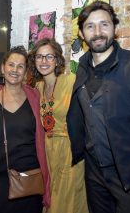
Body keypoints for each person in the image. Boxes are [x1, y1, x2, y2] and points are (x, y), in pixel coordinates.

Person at [67, 0, 130, 213]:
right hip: (94, 173)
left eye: (104, 24)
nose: (97, 32)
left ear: (115, 28)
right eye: (90, 26)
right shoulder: (82, 69)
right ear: (81, 33)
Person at [0, 46, 50, 213]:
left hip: (29, 178)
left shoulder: (35, 98)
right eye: (11, 65)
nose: (15, 70)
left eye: (20, 66)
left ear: (25, 72)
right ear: (3, 68)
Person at [29, 38, 88, 213]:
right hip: (46, 153)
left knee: (66, 202)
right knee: (50, 198)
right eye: (39, 57)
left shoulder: (71, 81)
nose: (44, 61)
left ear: (57, 60)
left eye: (49, 56)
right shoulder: (36, 88)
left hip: (69, 151)